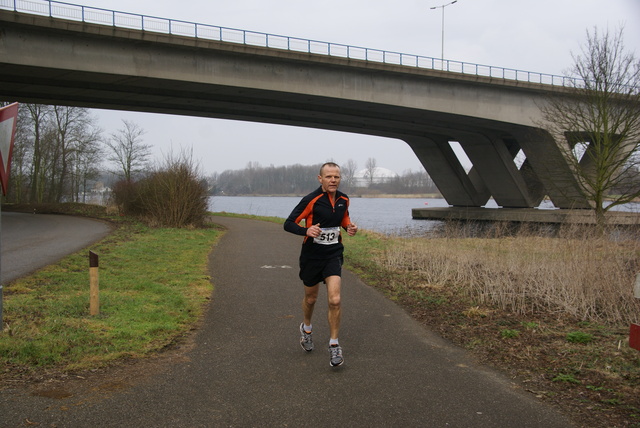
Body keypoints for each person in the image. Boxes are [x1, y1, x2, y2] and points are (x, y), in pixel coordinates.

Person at [284, 162, 358, 367]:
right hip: (312, 256)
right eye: (329, 177)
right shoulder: (311, 200)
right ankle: (306, 329)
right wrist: (305, 231)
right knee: (311, 298)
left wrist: (350, 227)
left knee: (335, 300)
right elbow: (289, 223)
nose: (333, 180)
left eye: (336, 177)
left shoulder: (344, 199)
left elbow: (343, 219)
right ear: (320, 179)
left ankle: (334, 345)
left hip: (333, 254)